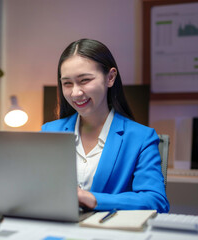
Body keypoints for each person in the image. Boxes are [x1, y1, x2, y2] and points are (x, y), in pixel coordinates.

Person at [41, 39, 169, 213]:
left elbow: (156, 201)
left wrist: (93, 199)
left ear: (110, 77)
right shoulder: (49, 132)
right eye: (67, 83)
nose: (75, 93)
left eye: (84, 80)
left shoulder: (141, 138)